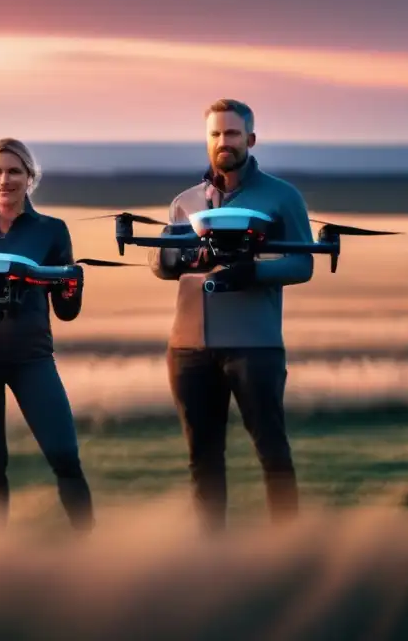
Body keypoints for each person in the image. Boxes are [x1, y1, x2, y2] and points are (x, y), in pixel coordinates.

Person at [149, 98, 315, 533]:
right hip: (187, 349)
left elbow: (303, 265)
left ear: (251, 139)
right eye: (216, 134)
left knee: (271, 450)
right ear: (207, 141)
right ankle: (212, 558)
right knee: (202, 457)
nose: (224, 142)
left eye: (233, 133)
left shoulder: (282, 197)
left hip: (254, 345)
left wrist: (253, 271)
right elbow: (161, 264)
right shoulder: (184, 202)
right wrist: (179, 258)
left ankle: (289, 549)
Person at [0, 137, 94, 531]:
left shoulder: (51, 230)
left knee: (65, 456)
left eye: (14, 171)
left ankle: (91, 550)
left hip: (31, 358)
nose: (4, 180)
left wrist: (72, 282)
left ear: (30, 177)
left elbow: (66, 312)